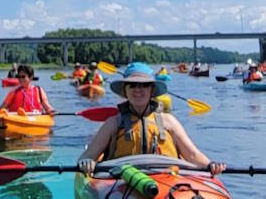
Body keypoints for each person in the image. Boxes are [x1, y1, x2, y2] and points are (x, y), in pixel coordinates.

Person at [77, 62, 225, 176]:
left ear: (152, 90)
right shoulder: (113, 123)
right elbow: (87, 157)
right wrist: (87, 163)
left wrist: (211, 165)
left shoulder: (169, 121)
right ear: (125, 91)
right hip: (121, 185)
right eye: (132, 85)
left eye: (144, 85)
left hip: (167, 183)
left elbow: (192, 155)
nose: (138, 90)